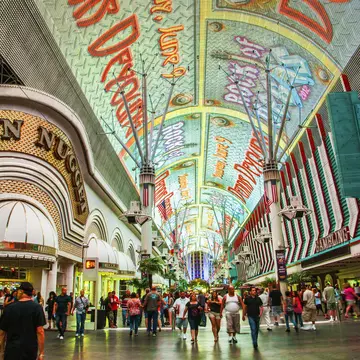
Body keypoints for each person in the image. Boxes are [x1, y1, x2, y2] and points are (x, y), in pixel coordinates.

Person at [0, 282, 46, 360]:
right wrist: (41, 353)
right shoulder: (37, 308)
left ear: (21, 291)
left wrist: (2, 352)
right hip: (29, 349)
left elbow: (2, 333)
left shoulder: (9, 308)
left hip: (12, 349)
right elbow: (40, 331)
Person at [242, 286, 263, 350]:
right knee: (253, 329)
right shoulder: (247, 299)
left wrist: (260, 314)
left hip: (257, 316)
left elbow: (261, 306)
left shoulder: (258, 298)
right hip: (250, 316)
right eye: (253, 290)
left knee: (256, 330)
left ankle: (255, 341)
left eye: (255, 290)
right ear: (250, 292)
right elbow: (245, 307)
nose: (254, 291)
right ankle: (255, 343)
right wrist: (243, 315)